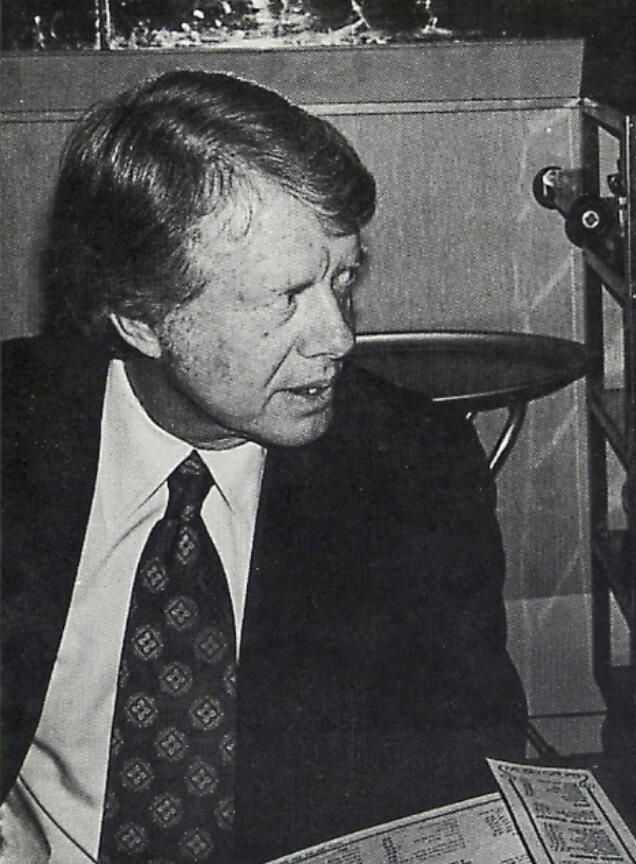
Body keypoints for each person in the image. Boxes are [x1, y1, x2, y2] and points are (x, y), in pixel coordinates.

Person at [1, 70, 527, 864]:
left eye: (342, 280)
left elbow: (464, 774)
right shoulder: (13, 434)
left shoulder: (415, 474)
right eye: (284, 298)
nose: (338, 338)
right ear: (140, 317)